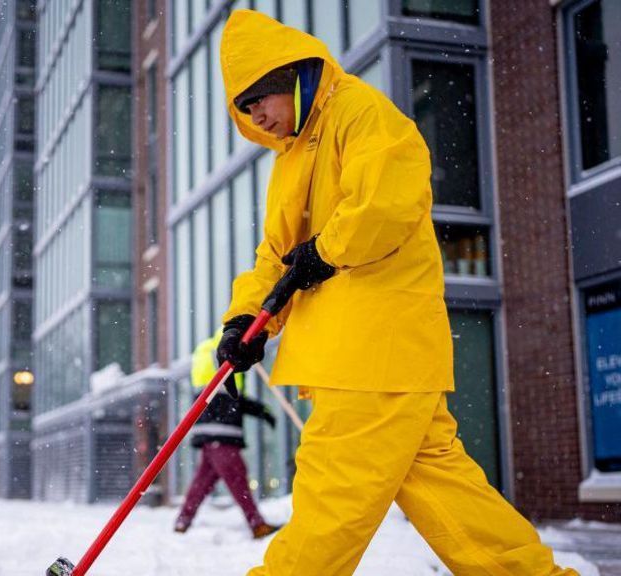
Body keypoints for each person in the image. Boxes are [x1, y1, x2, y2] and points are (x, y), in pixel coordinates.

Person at [214, 10, 576, 576]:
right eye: (243, 107)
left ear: (291, 76)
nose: (255, 114)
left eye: (259, 97)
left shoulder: (360, 114)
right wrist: (245, 321)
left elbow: (388, 203)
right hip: (379, 359)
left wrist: (327, 250)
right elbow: (276, 258)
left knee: (330, 502)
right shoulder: (290, 160)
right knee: (445, 492)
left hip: (369, 351)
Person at [175, 330, 283, 540]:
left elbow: (233, 401)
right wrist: (262, 411)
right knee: (237, 477)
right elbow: (233, 401)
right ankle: (257, 524)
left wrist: (261, 411)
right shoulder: (225, 353)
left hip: (210, 432)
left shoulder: (208, 353)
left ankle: (183, 520)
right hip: (221, 433)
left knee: (203, 481)